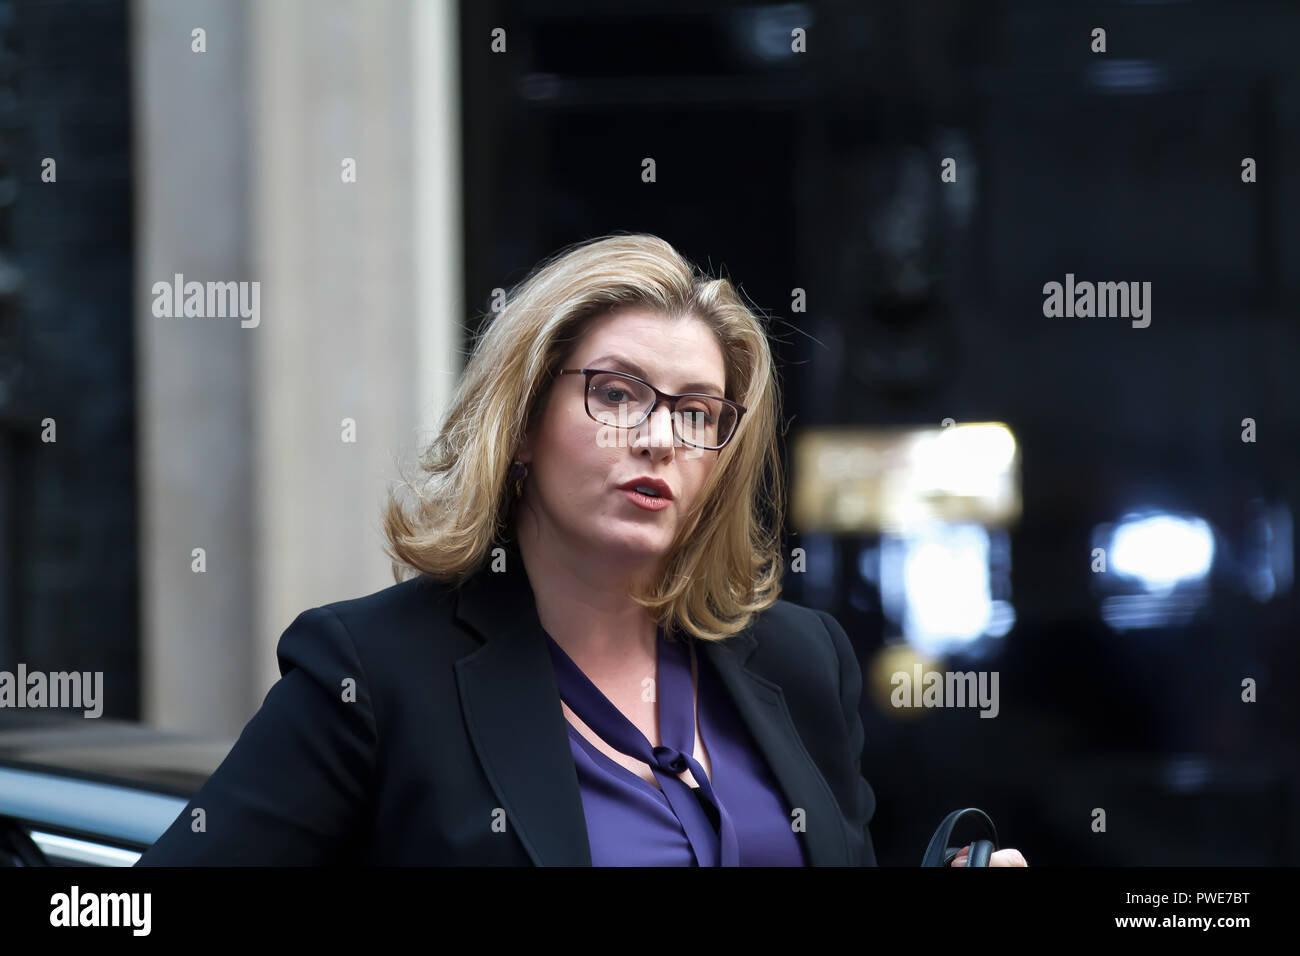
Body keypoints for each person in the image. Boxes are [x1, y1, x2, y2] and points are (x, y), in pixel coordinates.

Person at [135, 233, 1027, 866]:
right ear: (521, 424)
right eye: (615, 394)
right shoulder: (371, 673)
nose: (659, 439)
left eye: (695, 413)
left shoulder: (800, 660)